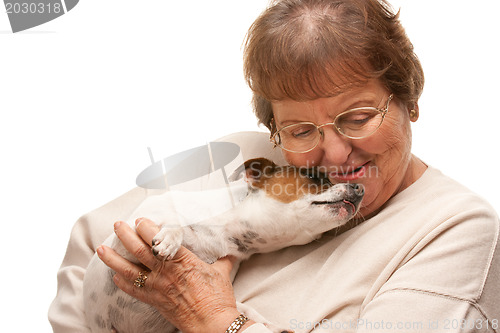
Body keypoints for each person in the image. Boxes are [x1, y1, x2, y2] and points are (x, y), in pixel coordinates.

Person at [49, 0, 500, 332]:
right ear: (274, 129)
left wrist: (215, 318)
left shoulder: (458, 229)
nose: (336, 154)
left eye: (358, 118)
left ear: (410, 100)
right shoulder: (242, 158)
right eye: (302, 130)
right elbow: (92, 242)